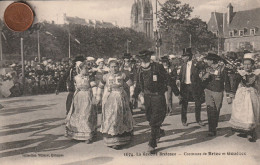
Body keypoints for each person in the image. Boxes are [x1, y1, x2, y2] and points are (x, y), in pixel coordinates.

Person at [132, 50, 180, 153]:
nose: (142, 59)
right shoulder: (139, 69)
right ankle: (159, 131)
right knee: (149, 118)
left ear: (149, 57)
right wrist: (134, 96)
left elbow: (169, 79)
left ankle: (152, 144)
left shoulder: (158, 67)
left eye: (144, 57)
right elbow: (139, 85)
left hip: (158, 97)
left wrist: (177, 93)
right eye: (141, 58)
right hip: (147, 98)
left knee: (154, 121)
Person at [96, 58, 134, 149]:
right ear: (109, 67)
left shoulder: (123, 75)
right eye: (112, 67)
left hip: (121, 98)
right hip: (109, 99)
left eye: (116, 66)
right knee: (110, 117)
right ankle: (112, 139)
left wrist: (132, 95)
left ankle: (121, 139)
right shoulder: (105, 76)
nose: (114, 69)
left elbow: (131, 85)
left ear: (118, 67)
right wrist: (98, 98)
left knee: (120, 117)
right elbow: (100, 87)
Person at [229, 53, 260, 142]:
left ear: (252, 65)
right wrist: (231, 94)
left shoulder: (256, 73)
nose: (247, 66)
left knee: (251, 112)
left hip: (252, 94)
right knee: (242, 112)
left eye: (249, 64)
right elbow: (234, 84)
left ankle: (250, 132)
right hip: (242, 94)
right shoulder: (240, 73)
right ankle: (244, 130)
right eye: (245, 64)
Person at [65, 61, 97, 143]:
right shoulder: (76, 78)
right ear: (80, 69)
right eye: (85, 68)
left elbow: (94, 86)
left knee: (86, 114)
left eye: (87, 68)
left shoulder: (90, 77)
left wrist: (95, 96)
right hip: (78, 97)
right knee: (76, 114)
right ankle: (75, 133)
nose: (87, 70)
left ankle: (87, 135)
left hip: (87, 96)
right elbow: (72, 88)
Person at [201, 53, 230, 136]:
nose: (206, 61)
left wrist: (228, 95)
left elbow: (226, 82)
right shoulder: (206, 68)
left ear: (213, 61)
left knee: (216, 110)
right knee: (210, 109)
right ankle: (211, 129)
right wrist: (207, 74)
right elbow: (202, 79)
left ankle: (214, 125)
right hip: (208, 91)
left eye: (208, 60)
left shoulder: (222, 69)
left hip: (218, 92)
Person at [179, 48, 205, 127]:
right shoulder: (183, 65)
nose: (183, 58)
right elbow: (180, 75)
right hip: (185, 87)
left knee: (198, 103)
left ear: (188, 56)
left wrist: (199, 61)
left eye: (184, 56)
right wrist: (178, 80)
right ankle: (184, 120)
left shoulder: (196, 64)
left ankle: (198, 119)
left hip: (194, 87)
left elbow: (203, 68)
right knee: (184, 104)